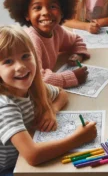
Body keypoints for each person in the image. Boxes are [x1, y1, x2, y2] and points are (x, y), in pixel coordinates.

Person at [0, 26, 97, 176]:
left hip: (23, 160)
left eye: (25, 56)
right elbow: (33, 155)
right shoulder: (5, 106)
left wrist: (51, 110)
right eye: (8, 61)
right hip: (9, 168)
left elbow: (61, 94)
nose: (20, 66)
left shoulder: (33, 87)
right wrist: (79, 138)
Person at [4, 0, 90, 89]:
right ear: (26, 14)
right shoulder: (31, 40)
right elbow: (36, 77)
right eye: (37, 8)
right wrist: (72, 77)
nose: (46, 12)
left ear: (62, 11)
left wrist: (78, 54)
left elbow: (76, 40)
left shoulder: (57, 30)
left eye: (53, 6)